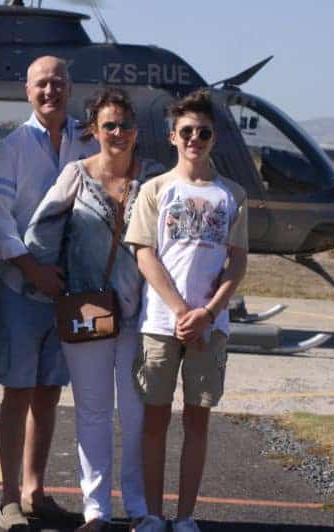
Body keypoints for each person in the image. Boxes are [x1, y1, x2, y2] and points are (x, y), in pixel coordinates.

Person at [24, 88, 163, 531]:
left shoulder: (156, 180)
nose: (117, 133)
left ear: (137, 131)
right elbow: (40, 230)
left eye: (125, 125)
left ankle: (138, 505)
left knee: (137, 411)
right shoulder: (75, 175)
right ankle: (97, 509)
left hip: (141, 314)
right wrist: (54, 275)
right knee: (93, 410)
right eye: (109, 125)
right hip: (86, 310)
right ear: (94, 130)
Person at [124, 89, 248, 532]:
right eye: (187, 131)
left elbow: (238, 261)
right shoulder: (156, 190)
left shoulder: (232, 194)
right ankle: (155, 514)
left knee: (198, 420)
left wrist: (209, 313)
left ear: (214, 138)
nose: (195, 138)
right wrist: (181, 310)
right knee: (154, 420)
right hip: (160, 323)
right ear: (173, 136)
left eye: (204, 132)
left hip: (211, 328)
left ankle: (185, 515)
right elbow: (145, 255)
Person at [0, 55, 98, 530]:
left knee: (50, 392)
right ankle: (9, 498)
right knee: (18, 391)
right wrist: (32, 268)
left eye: (57, 82)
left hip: (71, 292)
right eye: (40, 84)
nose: (50, 91)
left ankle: (35, 490)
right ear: (26, 91)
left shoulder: (88, 139)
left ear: (69, 87)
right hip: (19, 288)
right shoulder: (13, 146)